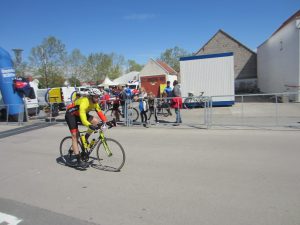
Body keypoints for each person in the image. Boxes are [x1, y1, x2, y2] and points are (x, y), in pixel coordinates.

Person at [65, 88, 107, 168]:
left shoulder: (95, 103)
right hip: (71, 114)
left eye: (99, 97)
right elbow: (84, 119)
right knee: (75, 136)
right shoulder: (85, 101)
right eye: (96, 97)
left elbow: (100, 113)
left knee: (96, 121)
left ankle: (86, 137)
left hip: (80, 114)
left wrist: (106, 122)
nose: (98, 98)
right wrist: (89, 125)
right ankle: (78, 161)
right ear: (91, 97)